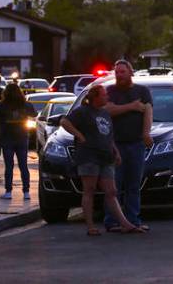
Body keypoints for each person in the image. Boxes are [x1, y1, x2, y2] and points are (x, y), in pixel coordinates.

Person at [60, 84, 143, 236]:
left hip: (106, 156)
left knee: (111, 191)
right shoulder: (83, 112)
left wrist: (116, 152)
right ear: (95, 97)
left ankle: (125, 224)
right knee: (89, 190)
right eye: (104, 95)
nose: (107, 97)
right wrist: (79, 136)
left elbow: (108, 135)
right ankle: (90, 226)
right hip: (89, 156)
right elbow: (65, 122)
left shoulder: (104, 113)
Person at [103, 59, 154, 232]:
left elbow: (147, 111)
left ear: (130, 72)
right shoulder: (110, 91)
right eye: (117, 72)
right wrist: (132, 106)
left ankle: (134, 221)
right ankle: (112, 221)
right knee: (114, 186)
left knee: (133, 185)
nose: (119, 75)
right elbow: (108, 110)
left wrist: (146, 133)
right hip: (115, 145)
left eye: (122, 72)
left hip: (136, 144)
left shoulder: (142, 91)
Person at [0, 82, 37, 200]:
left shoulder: (3, 105)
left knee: (9, 166)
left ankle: (8, 192)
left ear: (6, 93)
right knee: (23, 166)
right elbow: (34, 113)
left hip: (7, 139)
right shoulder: (26, 105)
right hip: (22, 138)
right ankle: (26, 192)